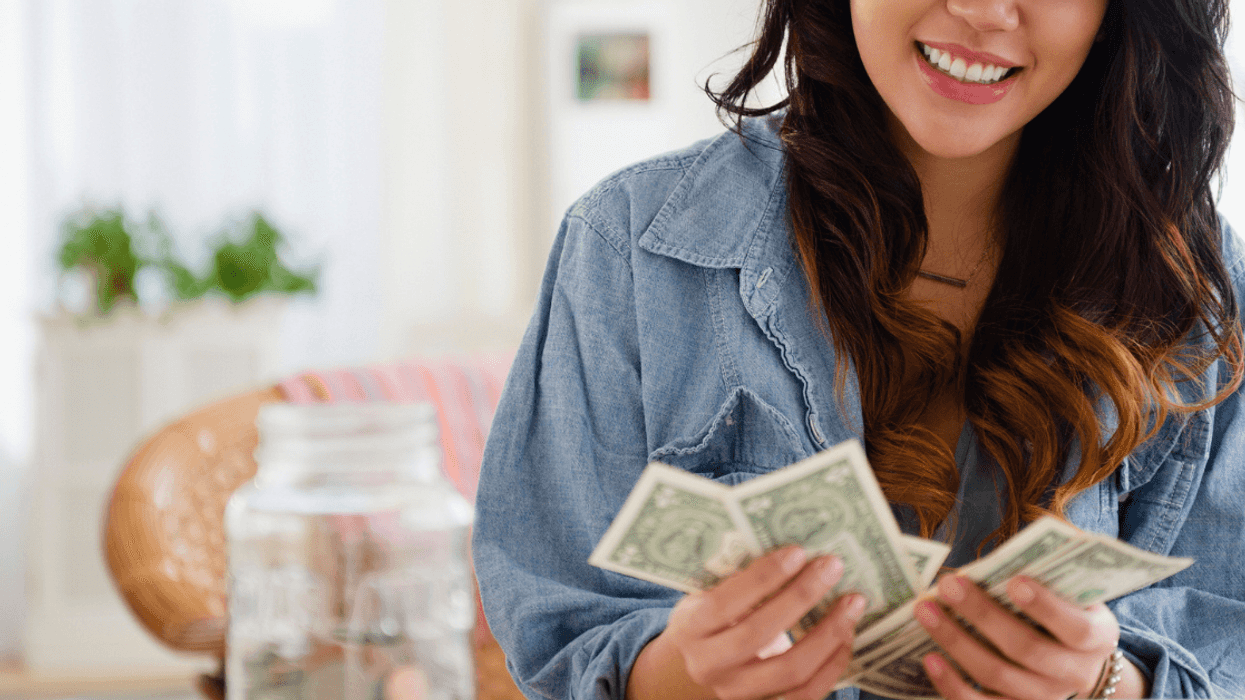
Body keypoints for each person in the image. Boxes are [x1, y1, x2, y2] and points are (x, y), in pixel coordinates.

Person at [471, 0, 1245, 697]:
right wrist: (686, 675)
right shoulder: (628, 248)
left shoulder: (1204, 291)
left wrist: (1108, 682)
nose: (981, 10)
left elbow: (1227, 639)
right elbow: (561, 631)